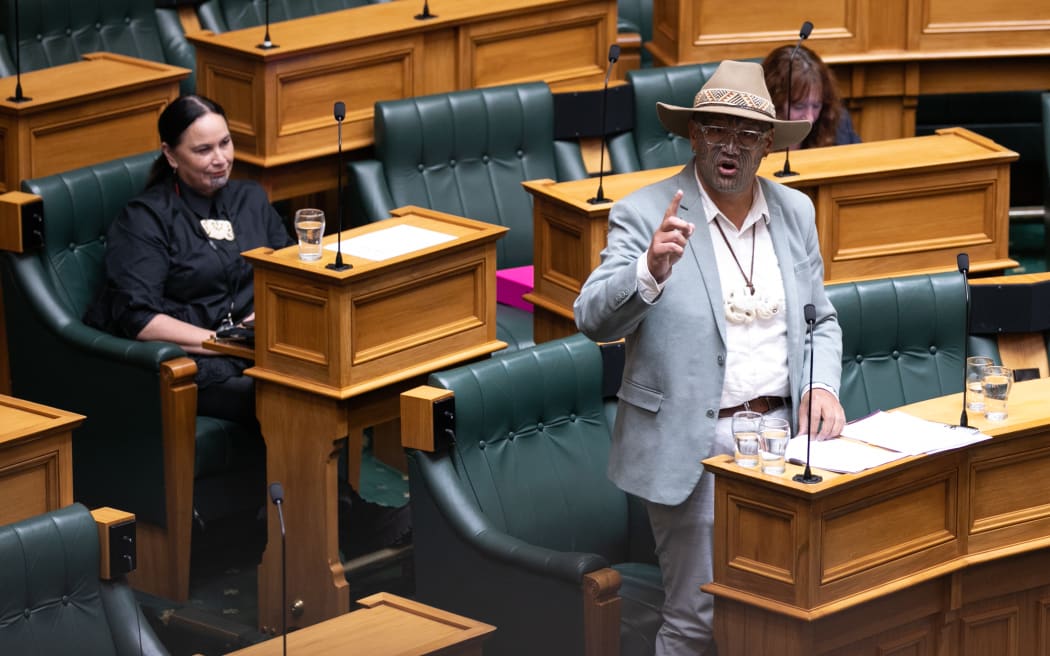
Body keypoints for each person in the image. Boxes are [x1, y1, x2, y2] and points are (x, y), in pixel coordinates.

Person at [574, 60, 846, 655]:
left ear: (768, 145)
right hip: (695, 450)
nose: (731, 146)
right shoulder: (647, 213)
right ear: (694, 136)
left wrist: (821, 386)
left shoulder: (795, 213)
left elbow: (820, 319)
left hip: (784, 441)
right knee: (697, 619)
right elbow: (591, 315)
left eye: (747, 133)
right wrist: (648, 271)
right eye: (716, 130)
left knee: (786, 611)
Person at [85, 94, 410, 554]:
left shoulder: (249, 199)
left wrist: (264, 318)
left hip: (256, 348)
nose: (220, 160)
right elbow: (139, 318)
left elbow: (284, 270)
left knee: (330, 377)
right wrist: (219, 342)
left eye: (225, 144)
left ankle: (320, 517)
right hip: (194, 364)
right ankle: (333, 523)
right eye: (203, 151)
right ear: (169, 154)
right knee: (293, 397)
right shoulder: (145, 219)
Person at [762, 44, 861, 148]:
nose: (810, 118)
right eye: (799, 106)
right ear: (774, 102)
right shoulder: (752, 135)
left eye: (816, 106)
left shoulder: (838, 123)